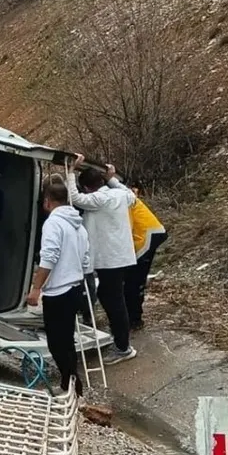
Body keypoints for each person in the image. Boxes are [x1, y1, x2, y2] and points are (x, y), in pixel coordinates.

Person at [69, 154, 137, 365]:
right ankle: (121, 341)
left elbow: (74, 198)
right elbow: (131, 195)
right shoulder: (120, 195)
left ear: (87, 188)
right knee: (111, 297)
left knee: (114, 301)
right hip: (121, 256)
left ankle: (123, 347)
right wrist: (112, 178)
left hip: (109, 259)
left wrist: (70, 172)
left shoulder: (98, 200)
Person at [27, 179, 91, 396]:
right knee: (67, 340)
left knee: (56, 342)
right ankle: (70, 384)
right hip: (75, 286)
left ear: (47, 201)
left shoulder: (53, 223)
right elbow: (85, 258)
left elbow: (49, 257)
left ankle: (70, 384)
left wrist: (36, 288)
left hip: (59, 290)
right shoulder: (78, 224)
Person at [125, 187, 167, 331]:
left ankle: (134, 319)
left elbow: (125, 228)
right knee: (134, 279)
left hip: (146, 236)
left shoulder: (118, 200)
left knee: (135, 279)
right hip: (149, 233)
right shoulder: (122, 194)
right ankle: (134, 316)